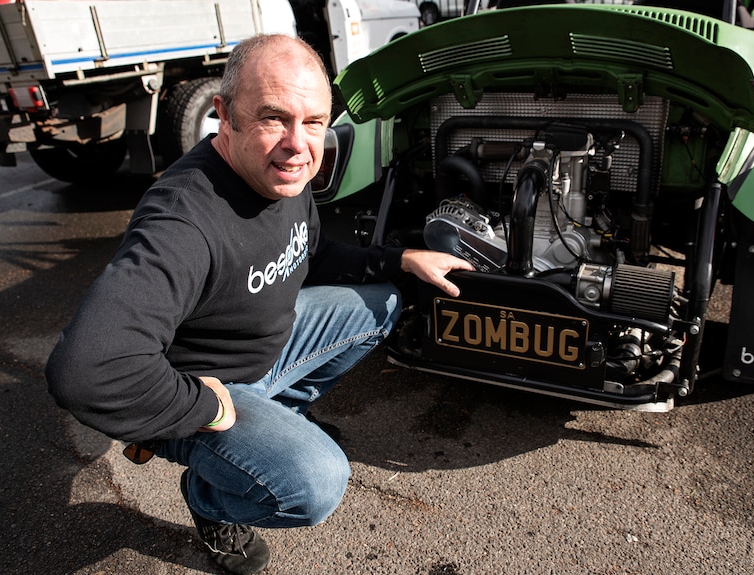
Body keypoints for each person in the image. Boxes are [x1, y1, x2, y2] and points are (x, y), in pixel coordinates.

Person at [46, 33, 473, 575]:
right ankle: (208, 499)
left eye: (314, 122)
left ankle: (278, 416)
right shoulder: (183, 219)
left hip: (262, 350)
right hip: (202, 387)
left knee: (383, 303)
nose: (299, 145)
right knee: (314, 482)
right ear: (224, 115)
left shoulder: (283, 179)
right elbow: (84, 370)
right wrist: (202, 407)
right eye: (274, 118)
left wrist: (402, 259)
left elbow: (311, 255)